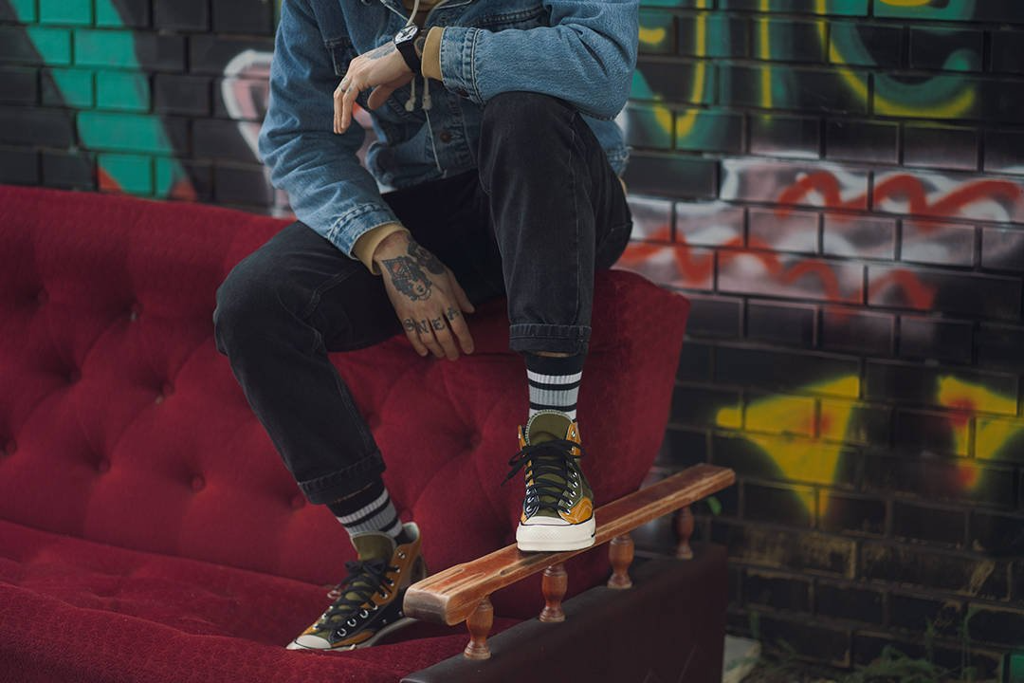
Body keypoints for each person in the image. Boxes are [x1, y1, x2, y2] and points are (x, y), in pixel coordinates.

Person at [212, 0, 639, 653]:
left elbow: (601, 67)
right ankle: (384, 551)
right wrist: (388, 245)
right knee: (254, 302)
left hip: (564, 192)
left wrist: (426, 54)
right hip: (432, 209)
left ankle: (554, 448)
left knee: (523, 109)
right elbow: (299, 138)